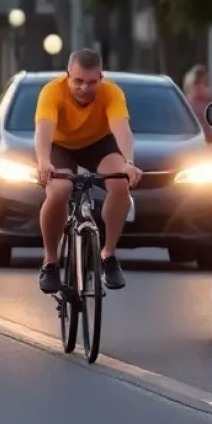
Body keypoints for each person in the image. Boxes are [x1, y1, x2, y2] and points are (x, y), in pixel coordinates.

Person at [34, 48, 143, 295]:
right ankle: (50, 261)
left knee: (119, 184)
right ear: (67, 75)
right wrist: (43, 162)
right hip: (59, 146)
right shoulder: (52, 92)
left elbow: (122, 129)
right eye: (79, 81)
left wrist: (129, 161)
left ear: (101, 77)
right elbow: (44, 130)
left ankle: (108, 255)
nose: (85, 88)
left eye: (92, 82)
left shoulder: (111, 92)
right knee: (60, 189)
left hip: (98, 144)